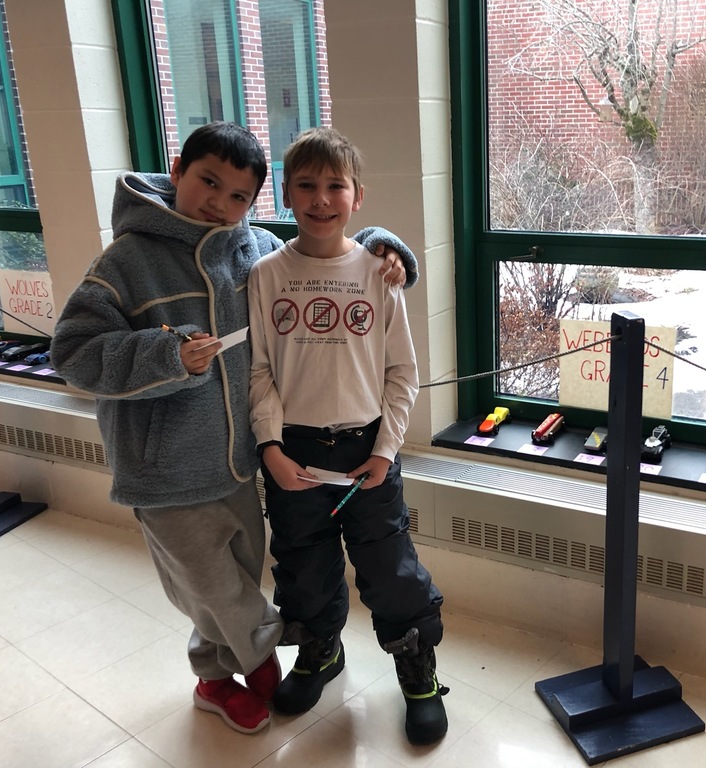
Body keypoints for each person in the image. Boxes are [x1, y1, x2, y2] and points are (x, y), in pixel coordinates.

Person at [50, 121, 417, 735]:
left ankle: (231, 669)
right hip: (166, 469)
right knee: (212, 588)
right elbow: (72, 353)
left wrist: (383, 244)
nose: (220, 203)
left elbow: (320, 249)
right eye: (208, 182)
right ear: (177, 170)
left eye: (238, 196)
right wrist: (165, 355)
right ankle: (239, 665)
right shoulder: (125, 261)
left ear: (254, 204)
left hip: (244, 461)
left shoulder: (244, 248)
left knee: (241, 574)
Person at [248, 126, 447, 745]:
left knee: (390, 568)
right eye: (306, 185)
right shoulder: (265, 275)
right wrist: (271, 448)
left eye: (336, 185)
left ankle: (417, 672)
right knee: (303, 568)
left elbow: (402, 373)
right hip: (294, 458)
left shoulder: (380, 274)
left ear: (357, 197)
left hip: (366, 454)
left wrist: (386, 450)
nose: (321, 198)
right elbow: (257, 369)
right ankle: (319, 651)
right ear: (285, 193)